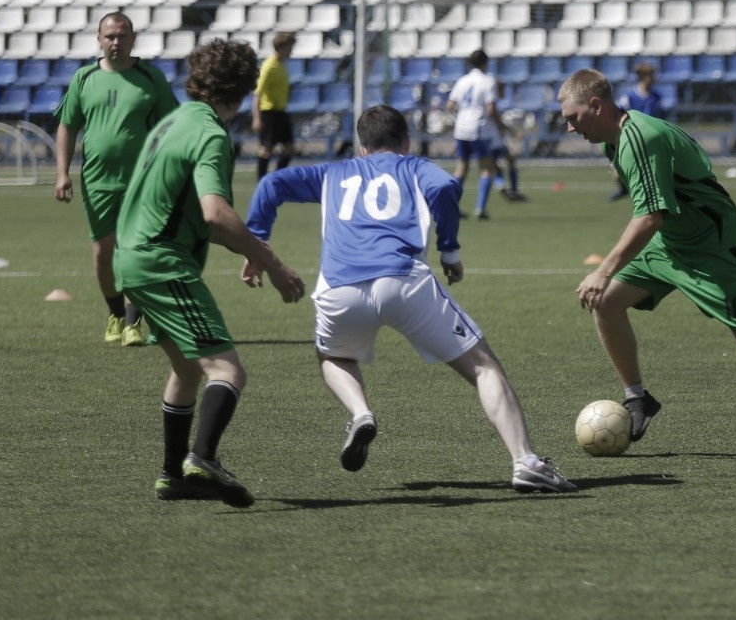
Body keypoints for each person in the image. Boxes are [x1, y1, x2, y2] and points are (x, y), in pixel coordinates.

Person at [244, 104, 576, 493]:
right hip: (402, 281)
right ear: (405, 141)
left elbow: (271, 184)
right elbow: (445, 187)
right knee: (484, 368)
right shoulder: (415, 166)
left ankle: (361, 413)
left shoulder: (333, 172)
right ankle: (526, 462)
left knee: (333, 356)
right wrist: (449, 250)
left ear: (362, 147)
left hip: (340, 287)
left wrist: (258, 245)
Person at [557, 68, 736, 458]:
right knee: (605, 301)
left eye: (573, 117)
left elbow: (649, 216)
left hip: (714, 249)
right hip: (670, 245)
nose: (569, 128)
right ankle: (638, 398)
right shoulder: (614, 141)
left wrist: (603, 270)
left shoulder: (641, 138)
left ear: (595, 105)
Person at [113, 38, 306, 506]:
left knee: (186, 367)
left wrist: (252, 248)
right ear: (244, 89)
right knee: (227, 369)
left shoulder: (173, 122)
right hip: (162, 264)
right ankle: (201, 459)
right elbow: (215, 213)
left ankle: (172, 475)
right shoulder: (211, 134)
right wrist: (274, 264)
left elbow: (190, 216)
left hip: (133, 259)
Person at [54, 12, 180, 347]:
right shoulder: (84, 78)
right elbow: (67, 126)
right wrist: (62, 173)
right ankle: (115, 314)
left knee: (135, 252)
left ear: (133, 39)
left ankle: (133, 321)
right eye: (109, 36)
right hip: (97, 181)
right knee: (103, 254)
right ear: (99, 39)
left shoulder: (151, 78)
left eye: (122, 36)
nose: (116, 42)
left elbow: (171, 127)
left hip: (142, 181)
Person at [446, 49, 503, 220]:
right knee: (486, 168)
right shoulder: (488, 81)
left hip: (461, 128)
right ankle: (480, 209)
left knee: (461, 168)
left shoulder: (462, 80)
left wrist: (462, 116)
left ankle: (451, 207)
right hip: (478, 128)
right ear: (486, 63)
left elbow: (450, 105)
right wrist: (500, 125)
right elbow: (491, 109)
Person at [607, 62, 667, 202]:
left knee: (653, 170)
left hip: (651, 138)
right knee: (619, 172)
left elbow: (661, 118)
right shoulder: (629, 97)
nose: (654, 79)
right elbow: (619, 115)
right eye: (651, 75)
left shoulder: (657, 97)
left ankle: (653, 196)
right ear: (643, 77)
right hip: (632, 136)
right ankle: (624, 190)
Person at [252, 32, 297, 179]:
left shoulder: (281, 65)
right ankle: (261, 182)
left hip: (280, 112)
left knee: (289, 149)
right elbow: (258, 93)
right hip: (268, 113)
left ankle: (275, 178)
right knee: (266, 150)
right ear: (281, 48)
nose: (291, 51)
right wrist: (257, 118)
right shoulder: (269, 66)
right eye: (290, 47)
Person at [487, 80, 527, 202]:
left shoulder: (490, 102)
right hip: (493, 140)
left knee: (498, 165)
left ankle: (501, 184)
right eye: (502, 90)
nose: (504, 92)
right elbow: (497, 121)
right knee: (509, 160)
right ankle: (512, 190)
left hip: (489, 140)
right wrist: (512, 132)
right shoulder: (491, 103)